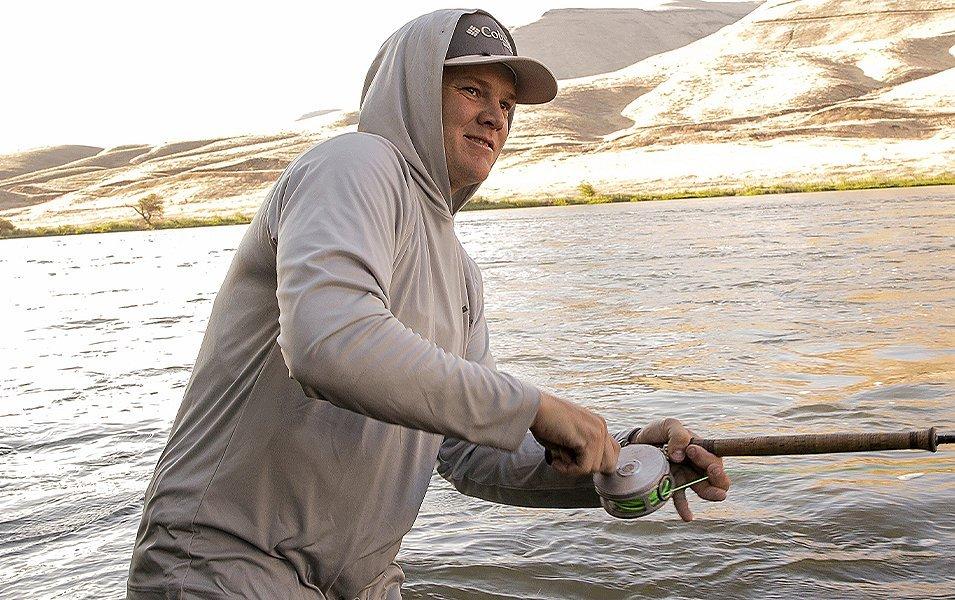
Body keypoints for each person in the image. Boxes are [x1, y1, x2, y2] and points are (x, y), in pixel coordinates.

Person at [127, 9, 730, 599]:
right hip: (225, 567)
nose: (494, 117)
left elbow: (469, 453)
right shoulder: (355, 164)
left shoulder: (461, 271)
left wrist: (622, 457)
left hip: (361, 583)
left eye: (507, 106)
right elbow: (327, 344)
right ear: (413, 90)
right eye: (472, 89)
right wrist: (535, 406)